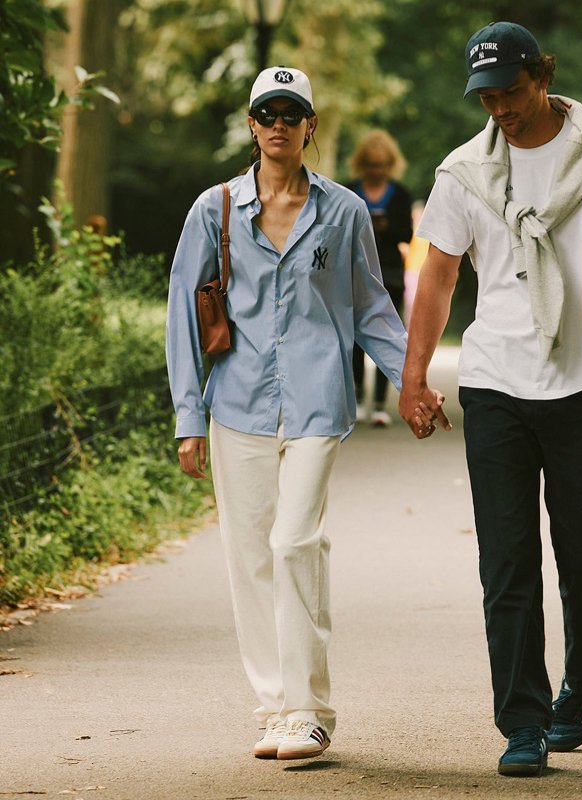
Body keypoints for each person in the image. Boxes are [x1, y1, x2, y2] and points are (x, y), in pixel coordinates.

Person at [399, 21, 582, 777]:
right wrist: (416, 378)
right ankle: (521, 721)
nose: (500, 109)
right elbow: (439, 276)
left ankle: (581, 684)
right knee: (506, 562)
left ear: (540, 76)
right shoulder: (463, 175)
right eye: (486, 97)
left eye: (510, 92)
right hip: (495, 385)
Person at [166, 66, 407, 761]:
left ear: (310, 126)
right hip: (235, 402)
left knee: (295, 541)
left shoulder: (344, 211)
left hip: (315, 400)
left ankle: (310, 709)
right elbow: (184, 316)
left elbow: (371, 307)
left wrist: (411, 382)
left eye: (290, 112)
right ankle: (273, 705)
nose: (277, 123)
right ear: (251, 126)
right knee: (249, 559)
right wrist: (188, 417)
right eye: (265, 112)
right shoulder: (211, 210)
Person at [347, 130, 413, 426]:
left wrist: (384, 227)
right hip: (354, 272)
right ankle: (359, 397)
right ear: (362, 164)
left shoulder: (400, 195)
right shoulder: (348, 192)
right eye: (372, 164)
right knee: (355, 338)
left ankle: (379, 404)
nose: (377, 170)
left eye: (382, 164)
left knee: (389, 334)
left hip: (390, 273)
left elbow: (408, 235)